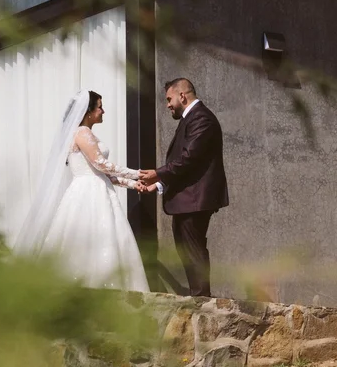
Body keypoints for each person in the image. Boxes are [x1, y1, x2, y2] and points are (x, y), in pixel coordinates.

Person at [14, 90, 150, 293]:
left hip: (97, 187)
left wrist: (132, 184)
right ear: (88, 112)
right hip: (89, 193)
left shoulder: (85, 134)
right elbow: (101, 164)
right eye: (100, 106)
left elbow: (102, 173)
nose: (103, 111)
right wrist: (137, 173)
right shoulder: (82, 133)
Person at [139, 78, 228, 298]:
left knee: (193, 247)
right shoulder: (191, 119)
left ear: (182, 96)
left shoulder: (202, 119)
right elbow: (186, 164)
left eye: (169, 99)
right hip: (188, 198)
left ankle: (201, 298)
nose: (167, 105)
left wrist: (158, 173)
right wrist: (159, 184)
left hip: (196, 199)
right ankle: (199, 294)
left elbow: (189, 159)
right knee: (186, 247)